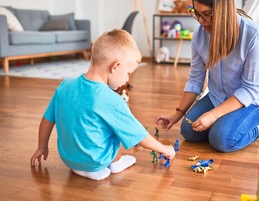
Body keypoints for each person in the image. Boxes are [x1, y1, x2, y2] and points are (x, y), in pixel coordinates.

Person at [30, 29, 176, 180]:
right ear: (115, 67)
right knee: (118, 125)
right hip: (97, 160)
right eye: (128, 74)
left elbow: (47, 120)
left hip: (69, 159)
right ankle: (116, 162)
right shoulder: (111, 99)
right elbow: (138, 134)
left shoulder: (64, 86)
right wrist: (164, 149)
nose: (126, 80)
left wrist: (42, 147)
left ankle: (85, 168)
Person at [155, 0, 259, 153]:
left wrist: (213, 115)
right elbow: (196, 78)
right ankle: (225, 123)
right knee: (188, 130)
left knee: (221, 139)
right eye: (196, 13)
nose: (201, 20)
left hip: (254, 101)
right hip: (218, 96)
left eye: (206, 14)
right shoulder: (199, 34)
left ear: (223, 11)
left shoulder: (251, 34)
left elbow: (250, 90)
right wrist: (177, 114)